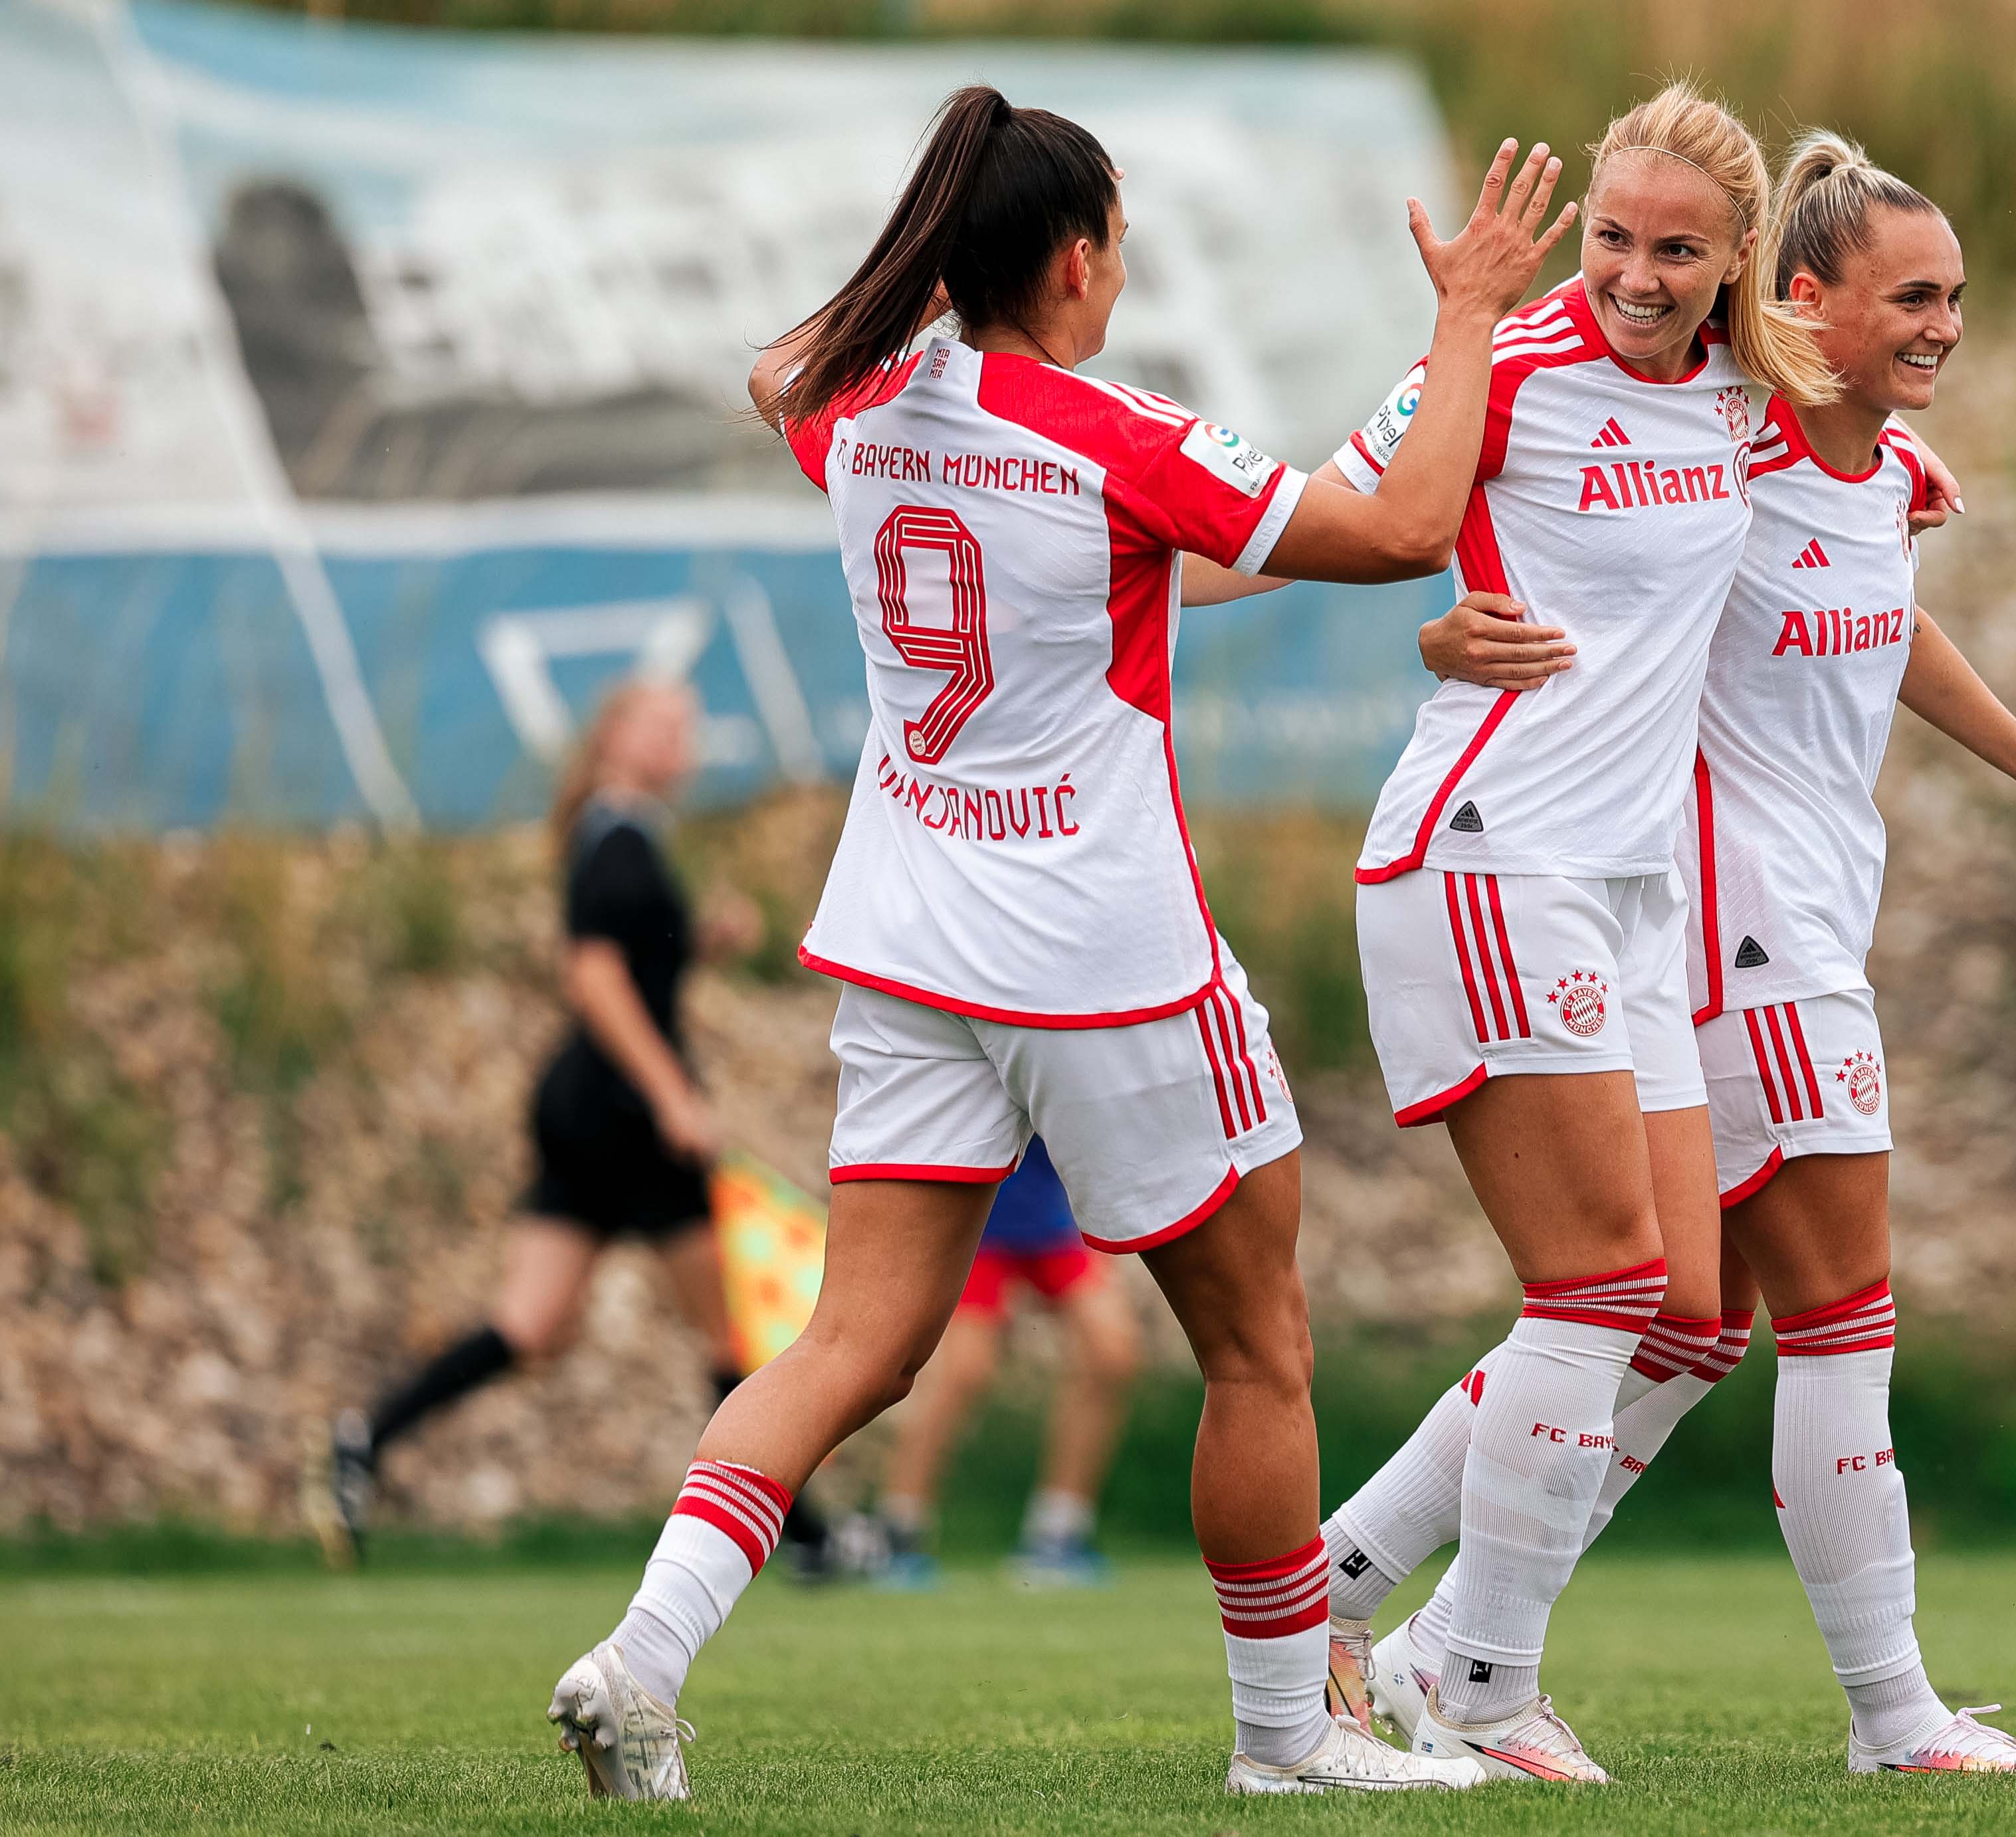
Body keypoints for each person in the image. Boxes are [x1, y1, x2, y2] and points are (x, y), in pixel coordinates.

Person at [539, 86, 1571, 1800]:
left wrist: (920, 272)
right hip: (1103, 954)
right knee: (1256, 1344)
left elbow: (777, 367)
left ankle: (637, 1657)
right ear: (1082, 260)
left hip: (906, 939)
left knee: (850, 1344)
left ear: (946, 255)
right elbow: (1393, 534)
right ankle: (1287, 1739)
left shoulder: (860, 409)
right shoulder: (1118, 435)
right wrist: (1464, 315)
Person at [1379, 130, 2016, 1777]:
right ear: (1804, 302)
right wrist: (1436, 623)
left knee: (1685, 1322)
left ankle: (1395, 1611)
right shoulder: (1732, 432)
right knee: (1827, 1316)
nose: (1941, 325)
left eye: (1953, 297)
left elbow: (1884, 617)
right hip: (1730, 923)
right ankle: (1891, 1715)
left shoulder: (1876, 476)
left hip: (1765, 922)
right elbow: (1489, 526)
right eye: (1910, 298)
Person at [1291, 80, 1897, 1786]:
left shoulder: (1741, 400)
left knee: (1692, 1314)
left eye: (1677, 249)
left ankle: (1339, 1598)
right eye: (1615, 239)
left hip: (1635, 893)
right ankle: (1467, 1677)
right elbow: (1295, 534)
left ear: (1736, 265)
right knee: (1604, 1285)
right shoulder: (1515, 358)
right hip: (1493, 853)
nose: (1636, 274)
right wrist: (1419, 640)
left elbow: (1861, 483)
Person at [304, 680, 834, 1571]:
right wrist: (673, 1093)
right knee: (727, 1331)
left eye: (688, 728)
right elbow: (591, 976)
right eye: (665, 726)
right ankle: (810, 1538)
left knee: (531, 1325)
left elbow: (624, 953)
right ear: (616, 735)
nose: (684, 744)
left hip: (582, 1110)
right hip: (629, 1116)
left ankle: (362, 1440)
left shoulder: (615, 833)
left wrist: (697, 940)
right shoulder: (619, 837)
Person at [872, 1136, 1142, 1589]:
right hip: (979, 1222)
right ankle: (899, 1530)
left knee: (1112, 1353)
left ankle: (1058, 1535)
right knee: (963, 1373)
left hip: (1055, 1220)